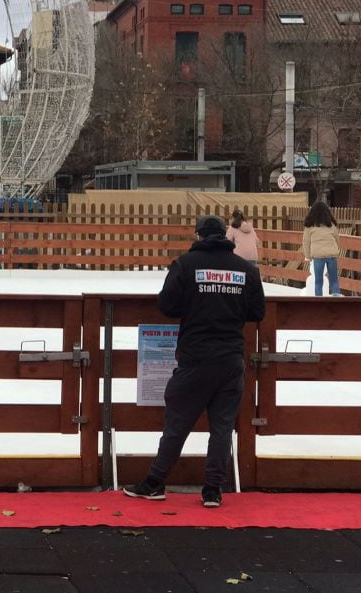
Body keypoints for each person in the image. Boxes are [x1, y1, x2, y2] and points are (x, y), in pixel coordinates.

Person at [124, 215, 266, 509]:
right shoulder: (244, 269)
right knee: (222, 427)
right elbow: (257, 312)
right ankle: (213, 489)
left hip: (196, 356)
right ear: (225, 236)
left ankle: (155, 481)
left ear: (198, 235)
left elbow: (167, 306)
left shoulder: (186, 265)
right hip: (230, 358)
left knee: (177, 424)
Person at [302, 200, 342, 297]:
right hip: (332, 254)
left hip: (318, 255)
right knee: (334, 281)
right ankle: (337, 301)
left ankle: (319, 302)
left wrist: (308, 256)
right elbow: (337, 239)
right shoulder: (331, 225)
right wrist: (336, 250)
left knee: (318, 281)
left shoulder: (309, 226)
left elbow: (306, 242)